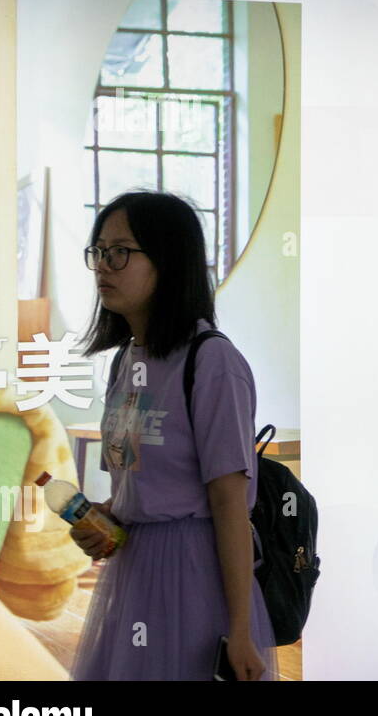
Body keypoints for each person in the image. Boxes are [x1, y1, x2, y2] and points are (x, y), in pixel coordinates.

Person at [69, 190, 277, 680]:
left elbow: (230, 505)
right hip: (133, 571)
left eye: (121, 252)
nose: (104, 266)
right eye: (98, 251)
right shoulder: (125, 361)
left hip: (194, 575)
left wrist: (241, 630)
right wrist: (106, 519)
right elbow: (135, 488)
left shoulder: (212, 362)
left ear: (169, 261)